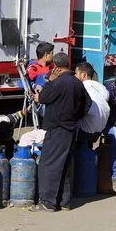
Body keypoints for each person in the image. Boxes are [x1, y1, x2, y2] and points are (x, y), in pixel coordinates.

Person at [32, 53, 90, 212]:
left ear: (55, 67)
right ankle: (64, 202)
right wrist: (75, 117)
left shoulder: (57, 83)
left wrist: (49, 82)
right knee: (64, 164)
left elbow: (42, 98)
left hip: (57, 129)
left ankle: (48, 203)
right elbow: (87, 104)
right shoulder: (78, 83)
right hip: (71, 129)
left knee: (48, 164)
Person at [74, 62, 110, 143]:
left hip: (86, 130)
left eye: (76, 73)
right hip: (100, 128)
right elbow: (106, 97)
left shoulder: (82, 87)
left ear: (83, 75)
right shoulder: (101, 87)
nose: (74, 76)